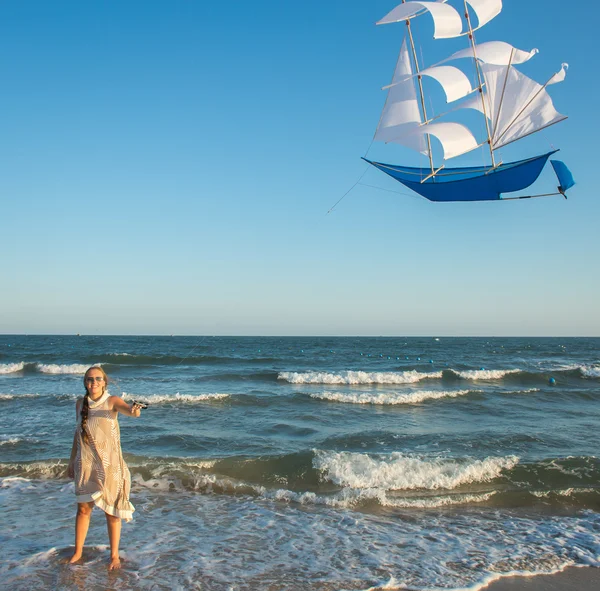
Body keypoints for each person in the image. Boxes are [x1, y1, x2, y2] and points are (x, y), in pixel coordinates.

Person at [67, 366, 144, 570]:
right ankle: (78, 552)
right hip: (85, 463)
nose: (94, 382)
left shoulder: (112, 401)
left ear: (104, 382)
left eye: (98, 379)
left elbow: (129, 411)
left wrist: (135, 411)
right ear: (85, 382)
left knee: (112, 512)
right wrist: (71, 461)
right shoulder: (79, 404)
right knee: (83, 509)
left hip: (110, 465)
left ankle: (114, 556)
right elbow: (77, 435)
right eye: (90, 379)